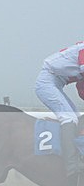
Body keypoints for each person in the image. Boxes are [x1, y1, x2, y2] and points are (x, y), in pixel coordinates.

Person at [35, 41, 84, 177]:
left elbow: (81, 89)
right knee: (69, 118)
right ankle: (72, 167)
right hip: (47, 83)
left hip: (55, 83)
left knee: (76, 117)